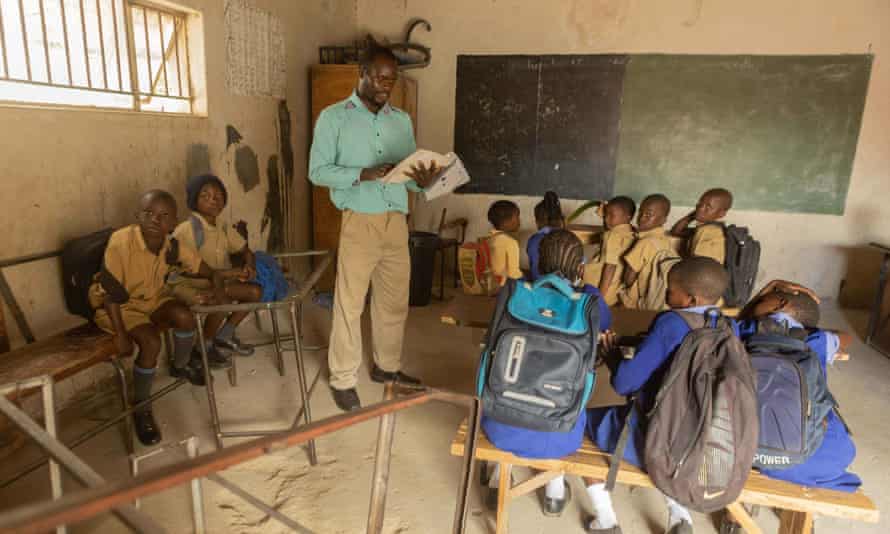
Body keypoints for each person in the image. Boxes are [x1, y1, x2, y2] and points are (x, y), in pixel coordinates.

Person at [308, 44, 438, 411]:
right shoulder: (333, 117)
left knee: (394, 303)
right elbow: (316, 172)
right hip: (359, 222)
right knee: (349, 304)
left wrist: (424, 182)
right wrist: (361, 174)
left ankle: (387, 367)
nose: (386, 85)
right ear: (361, 73)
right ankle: (343, 378)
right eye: (380, 77)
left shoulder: (401, 120)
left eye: (391, 80)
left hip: (396, 222)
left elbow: (409, 174)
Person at [583, 257, 734, 534]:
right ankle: (680, 517)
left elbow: (625, 384)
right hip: (710, 440)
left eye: (671, 289)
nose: (666, 294)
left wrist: (613, 357)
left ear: (690, 299)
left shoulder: (670, 323)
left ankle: (605, 520)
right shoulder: (727, 327)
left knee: (579, 422)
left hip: (659, 441)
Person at [482, 229, 613, 516]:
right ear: (580, 268)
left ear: (537, 261)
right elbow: (605, 326)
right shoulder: (589, 300)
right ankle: (554, 494)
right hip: (561, 433)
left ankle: (496, 482)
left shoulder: (515, 291)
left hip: (499, 425)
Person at [89, 190, 228, 445]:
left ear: (173, 223)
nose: (155, 219)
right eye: (148, 213)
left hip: (152, 299)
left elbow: (209, 272)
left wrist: (217, 289)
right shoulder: (121, 242)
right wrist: (120, 336)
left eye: (163, 216)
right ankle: (141, 406)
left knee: (184, 316)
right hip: (120, 306)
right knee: (152, 341)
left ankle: (180, 365)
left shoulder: (172, 245)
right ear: (137, 216)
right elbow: (110, 296)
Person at [738, 281, 861, 492]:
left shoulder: (744, 328)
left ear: (780, 304)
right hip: (803, 458)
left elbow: (741, 315)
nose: (760, 299)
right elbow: (846, 337)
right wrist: (817, 330)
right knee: (842, 449)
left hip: (738, 450)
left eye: (765, 298)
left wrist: (769, 287)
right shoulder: (816, 339)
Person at [171, 174, 261, 361]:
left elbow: (246, 251)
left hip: (219, 281)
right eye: (205, 196)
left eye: (218, 197)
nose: (213, 200)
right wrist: (233, 272)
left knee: (255, 292)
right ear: (194, 199)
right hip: (193, 284)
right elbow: (188, 271)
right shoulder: (187, 229)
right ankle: (204, 346)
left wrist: (249, 265)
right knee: (221, 299)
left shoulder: (222, 226)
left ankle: (223, 336)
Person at [619, 194, 677, 310]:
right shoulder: (665, 241)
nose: (641, 218)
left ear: (663, 220)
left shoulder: (645, 243)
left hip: (636, 303)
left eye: (648, 215)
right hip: (657, 301)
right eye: (640, 213)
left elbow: (628, 279)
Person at [584, 196, 636, 306]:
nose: (607, 219)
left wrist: (600, 297)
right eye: (606, 214)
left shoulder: (613, 235)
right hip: (614, 290)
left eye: (611, 215)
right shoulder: (632, 233)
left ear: (627, 217)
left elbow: (610, 267)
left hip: (600, 289)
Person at [670, 188, 733, 264]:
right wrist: (694, 215)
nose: (700, 208)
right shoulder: (705, 228)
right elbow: (676, 231)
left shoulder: (709, 231)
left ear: (721, 214)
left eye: (708, 207)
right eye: (700, 203)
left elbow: (699, 264)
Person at [527, 191, 566, 280]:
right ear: (561, 219)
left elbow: (534, 271)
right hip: (566, 288)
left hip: (540, 287)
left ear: (538, 222)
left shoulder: (534, 240)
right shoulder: (568, 238)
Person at [487, 200, 523, 285]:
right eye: (517, 217)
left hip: (491, 283)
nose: (519, 221)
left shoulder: (489, 239)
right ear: (507, 222)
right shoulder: (511, 243)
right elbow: (514, 274)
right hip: (505, 287)